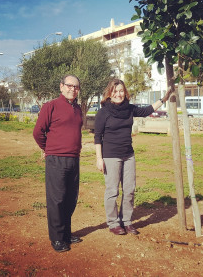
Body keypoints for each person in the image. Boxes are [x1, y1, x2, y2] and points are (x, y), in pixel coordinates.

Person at [94, 78, 171, 235]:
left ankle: (127, 221)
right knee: (112, 191)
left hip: (128, 155)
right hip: (111, 156)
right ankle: (113, 223)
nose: (118, 94)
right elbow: (97, 137)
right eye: (115, 91)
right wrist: (98, 158)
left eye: (121, 91)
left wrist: (164, 98)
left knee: (129, 190)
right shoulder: (103, 113)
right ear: (109, 93)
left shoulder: (129, 109)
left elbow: (147, 110)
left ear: (125, 92)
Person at [33, 74, 83, 252]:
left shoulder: (77, 108)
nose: (73, 89)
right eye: (69, 85)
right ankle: (56, 238)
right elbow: (38, 132)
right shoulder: (51, 106)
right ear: (61, 86)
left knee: (70, 198)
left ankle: (66, 234)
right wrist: (48, 149)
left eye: (76, 87)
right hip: (56, 160)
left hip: (74, 159)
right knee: (57, 199)